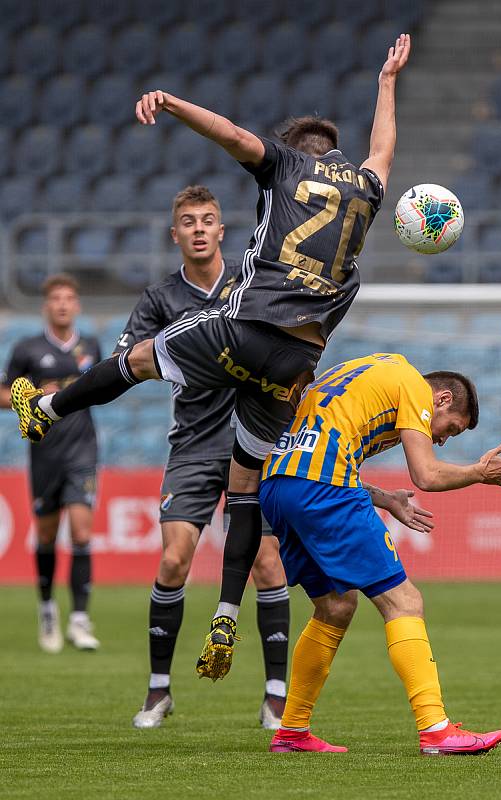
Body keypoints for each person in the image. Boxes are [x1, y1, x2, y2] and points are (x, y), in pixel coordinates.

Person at [10, 35, 411, 680]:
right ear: (334, 152)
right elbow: (384, 147)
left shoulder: (285, 167)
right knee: (246, 481)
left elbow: (229, 133)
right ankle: (227, 612)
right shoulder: (366, 188)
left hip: (250, 330)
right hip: (292, 367)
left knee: (144, 354)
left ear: (292, 151)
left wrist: (171, 103)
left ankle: (48, 408)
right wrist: (387, 81)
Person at [258, 353, 501, 755]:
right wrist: (477, 473)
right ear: (443, 399)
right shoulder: (413, 384)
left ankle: (292, 731)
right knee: (404, 601)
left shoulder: (368, 371)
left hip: (278, 485)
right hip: (323, 489)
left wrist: (384, 499)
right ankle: (436, 730)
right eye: (450, 429)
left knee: (336, 607)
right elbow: (427, 475)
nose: (441, 439)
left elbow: (328, 446)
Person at [116, 185, 290, 729]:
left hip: (254, 443)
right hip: (192, 445)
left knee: (265, 561)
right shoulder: (159, 299)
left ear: (221, 231)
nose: (197, 228)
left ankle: (277, 695)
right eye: (187, 221)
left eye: (207, 220)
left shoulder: (250, 282)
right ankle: (159, 691)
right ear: (176, 234)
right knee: (174, 559)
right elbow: (126, 361)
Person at [0, 274, 101, 652]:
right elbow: (4, 393)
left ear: (76, 305)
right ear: (47, 305)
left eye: (68, 298)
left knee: (81, 533)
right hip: (44, 453)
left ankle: (79, 619)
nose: (62, 304)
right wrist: (27, 398)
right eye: (56, 298)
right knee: (45, 536)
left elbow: (103, 386)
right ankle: (47, 609)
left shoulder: (89, 345)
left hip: (82, 450)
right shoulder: (27, 349)